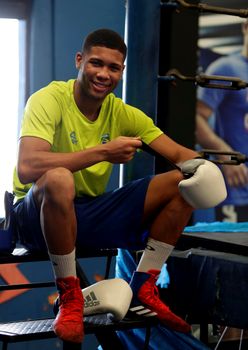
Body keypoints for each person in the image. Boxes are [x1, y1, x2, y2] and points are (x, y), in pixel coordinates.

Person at [13, 28, 226, 344]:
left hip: (87, 213)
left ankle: (144, 286)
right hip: (34, 218)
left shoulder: (124, 113)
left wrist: (205, 169)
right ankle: (70, 297)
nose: (103, 74)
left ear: (122, 72)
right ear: (79, 61)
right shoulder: (48, 100)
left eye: (113, 68)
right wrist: (103, 151)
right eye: (95, 63)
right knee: (58, 178)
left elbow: (181, 155)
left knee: (183, 182)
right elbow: (28, 166)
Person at [196, 19, 248, 217]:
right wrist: (226, 154)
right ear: (245, 27)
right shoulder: (226, 69)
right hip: (237, 188)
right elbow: (197, 118)